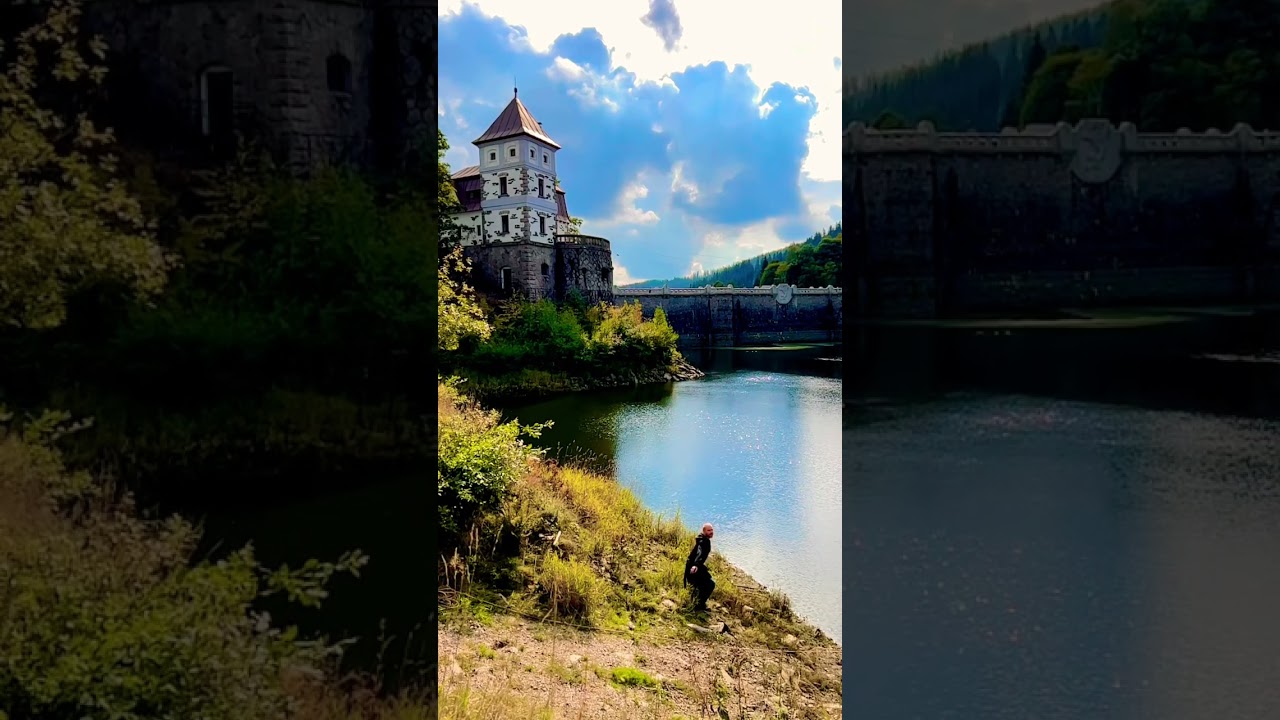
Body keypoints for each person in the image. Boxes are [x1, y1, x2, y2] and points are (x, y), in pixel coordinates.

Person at [684, 523, 716, 611]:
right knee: (710, 584)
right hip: (693, 568)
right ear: (704, 531)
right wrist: (696, 565)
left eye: (712, 530)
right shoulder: (703, 542)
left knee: (704, 584)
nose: (711, 532)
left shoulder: (703, 539)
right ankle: (699, 605)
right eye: (709, 530)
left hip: (696, 567)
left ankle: (698, 603)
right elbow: (699, 553)